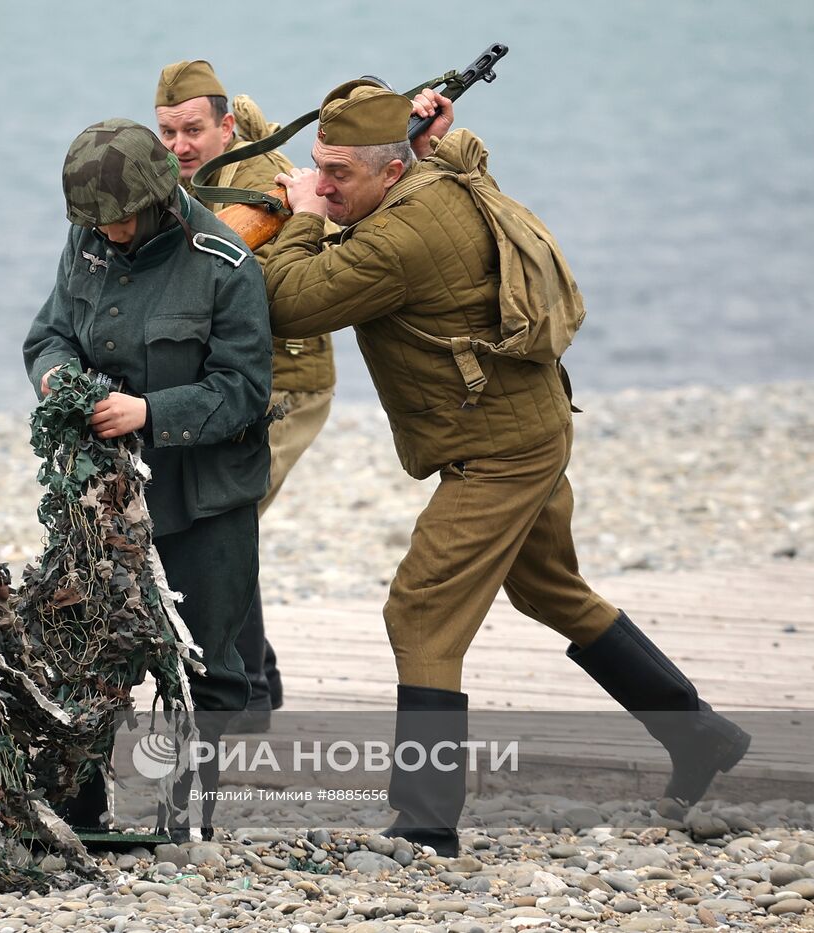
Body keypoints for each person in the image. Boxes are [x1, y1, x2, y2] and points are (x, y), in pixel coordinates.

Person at [262, 82, 750, 855]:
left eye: (340, 174)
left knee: (419, 610)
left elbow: (285, 301)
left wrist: (301, 219)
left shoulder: (399, 238)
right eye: (318, 167)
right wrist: (422, 131)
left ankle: (425, 822)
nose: (323, 183)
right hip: (530, 422)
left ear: (390, 174)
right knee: (550, 587)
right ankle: (699, 735)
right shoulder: (432, 173)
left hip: (500, 450)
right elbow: (453, 149)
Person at [153, 60, 452, 721]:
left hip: (287, 380)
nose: (180, 146)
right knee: (220, 521)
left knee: (220, 522)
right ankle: (259, 682)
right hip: (234, 382)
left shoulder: (262, 182)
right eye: (168, 132)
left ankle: (251, 690)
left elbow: (277, 287)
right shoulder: (198, 182)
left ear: (227, 125)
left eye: (193, 130)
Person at [23, 118, 272, 836]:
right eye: (94, 222)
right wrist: (57, 377)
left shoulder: (223, 263)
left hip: (203, 497)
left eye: (119, 219)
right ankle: (80, 808)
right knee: (84, 643)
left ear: (159, 197)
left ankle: (187, 814)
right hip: (104, 494)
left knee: (211, 664)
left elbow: (243, 391)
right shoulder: (90, 237)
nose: (108, 233)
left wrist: (148, 411)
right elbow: (48, 335)